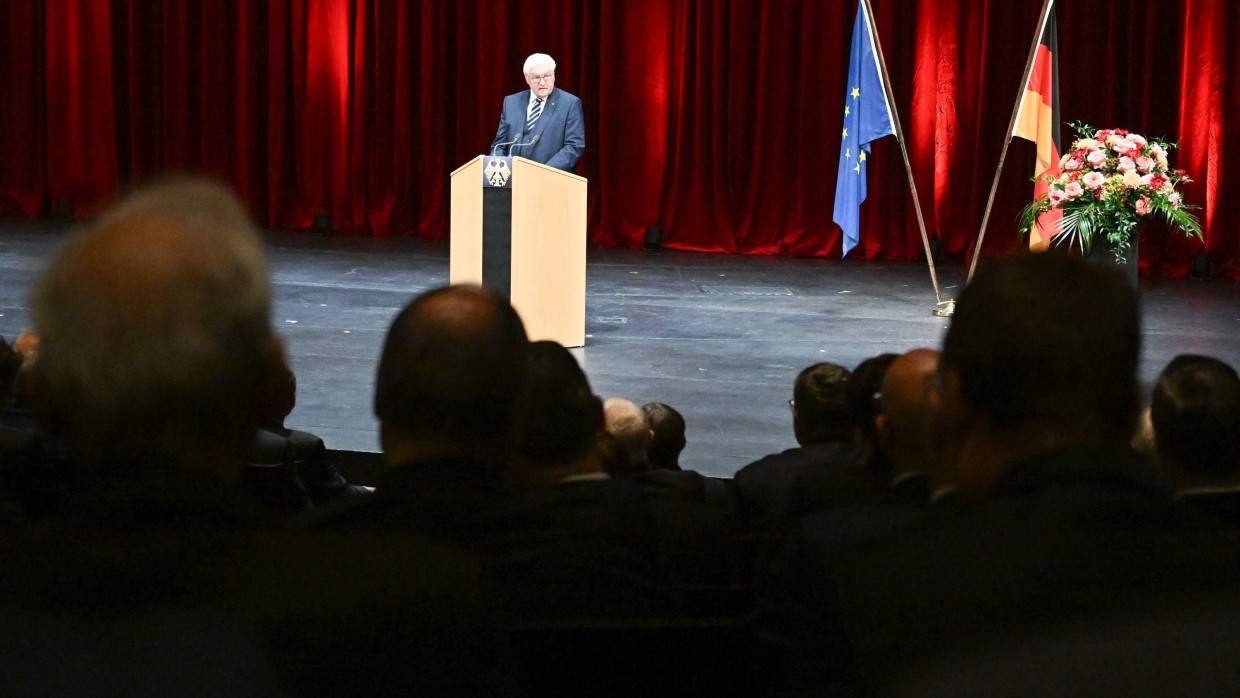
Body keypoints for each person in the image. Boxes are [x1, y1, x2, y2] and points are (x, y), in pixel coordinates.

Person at [490, 53, 585, 171]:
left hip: (550, 177)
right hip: (514, 177)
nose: (543, 82)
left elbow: (574, 146)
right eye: (536, 77)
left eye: (547, 76)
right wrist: (500, 169)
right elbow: (499, 145)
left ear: (554, 76)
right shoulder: (511, 102)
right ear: (527, 79)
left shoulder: (570, 103)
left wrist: (542, 172)